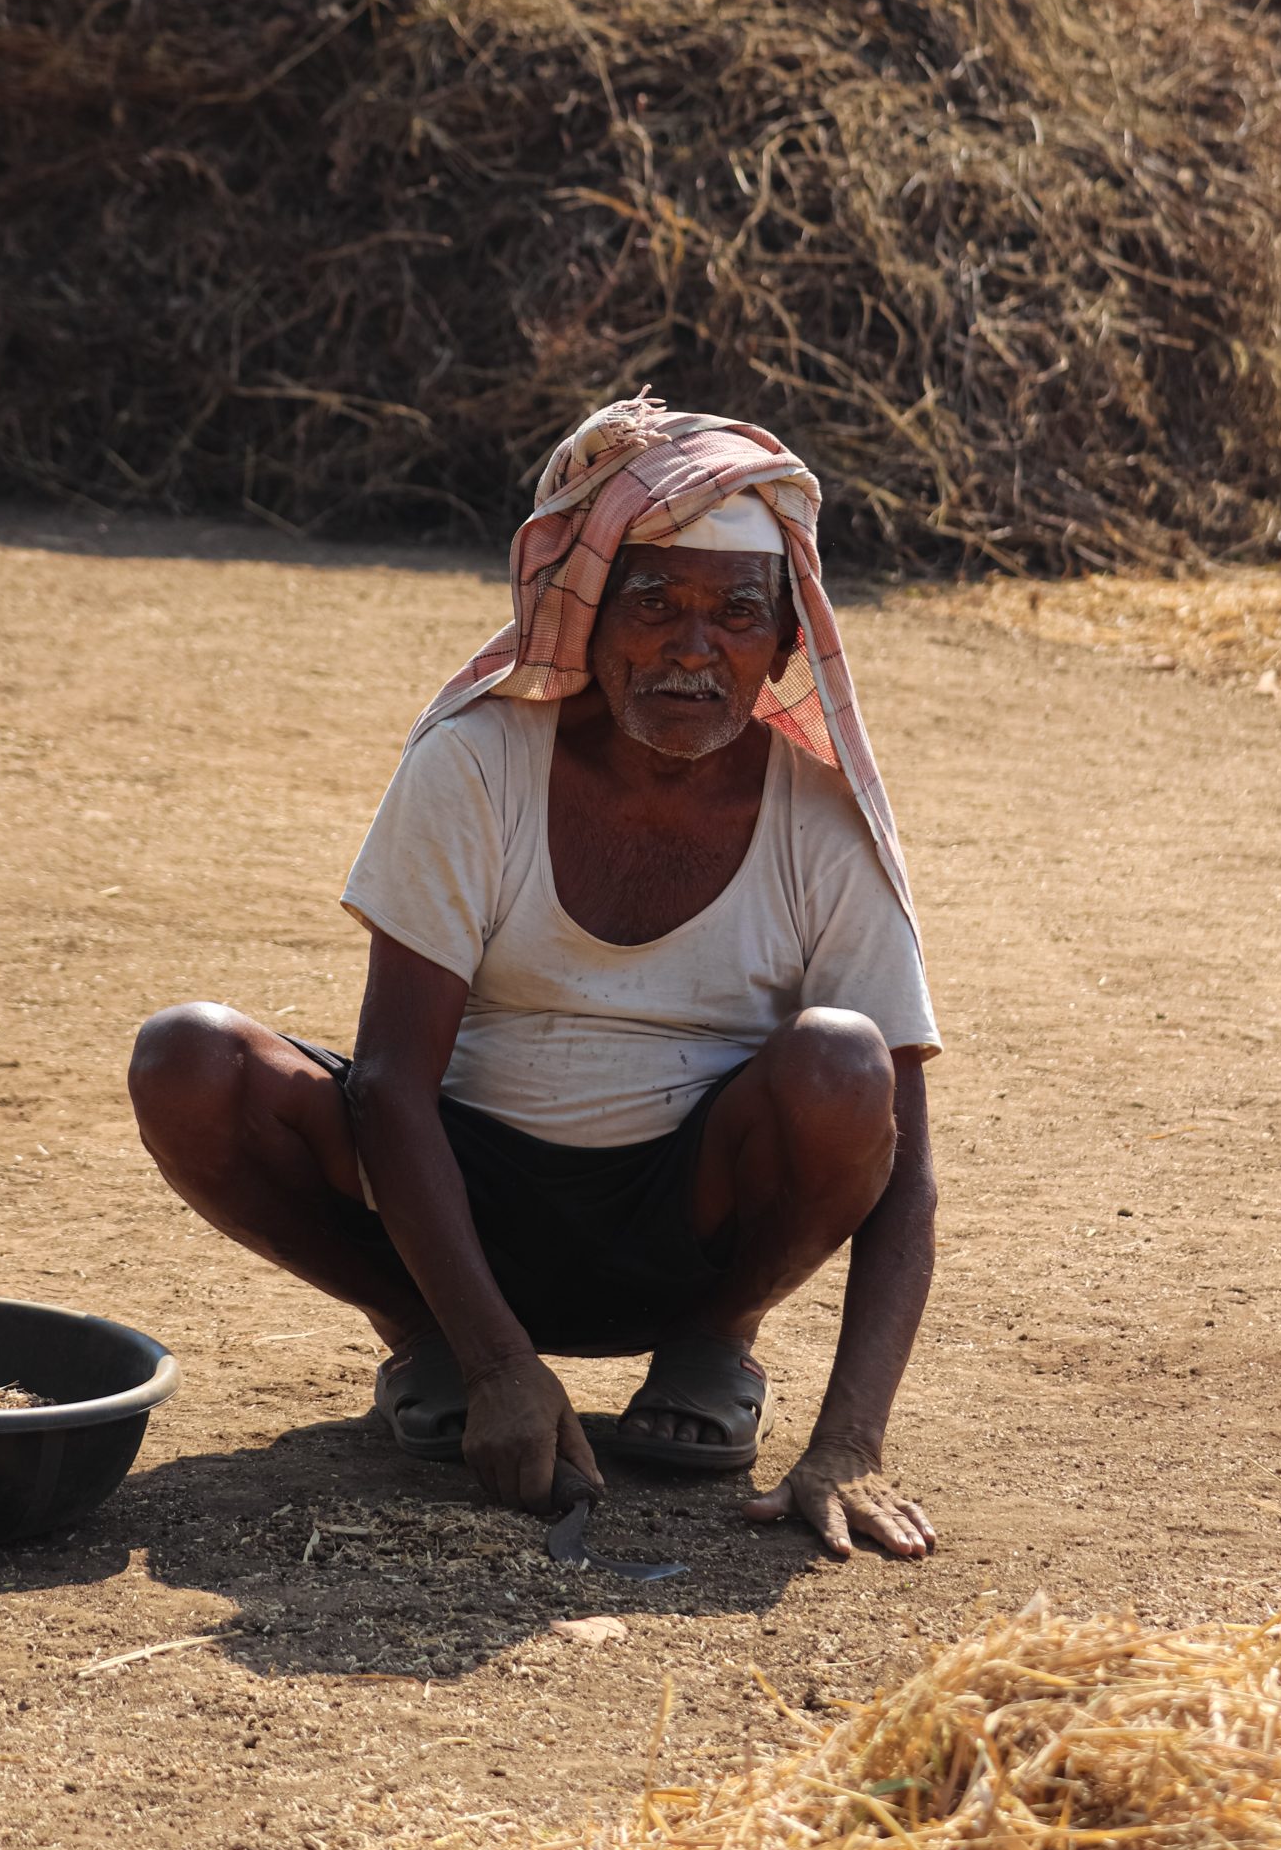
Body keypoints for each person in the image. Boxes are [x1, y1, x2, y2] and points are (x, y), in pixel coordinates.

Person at [129, 398, 941, 1560]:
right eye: (653, 601)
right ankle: (431, 1343)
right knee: (188, 1059)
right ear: (585, 612)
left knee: (842, 1065)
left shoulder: (822, 819)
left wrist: (851, 1440)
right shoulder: (477, 762)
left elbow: (903, 1168)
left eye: (737, 615)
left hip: (697, 1219)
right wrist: (498, 1363)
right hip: (455, 1211)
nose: (692, 647)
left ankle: (713, 1342)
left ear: (783, 648)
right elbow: (394, 1088)